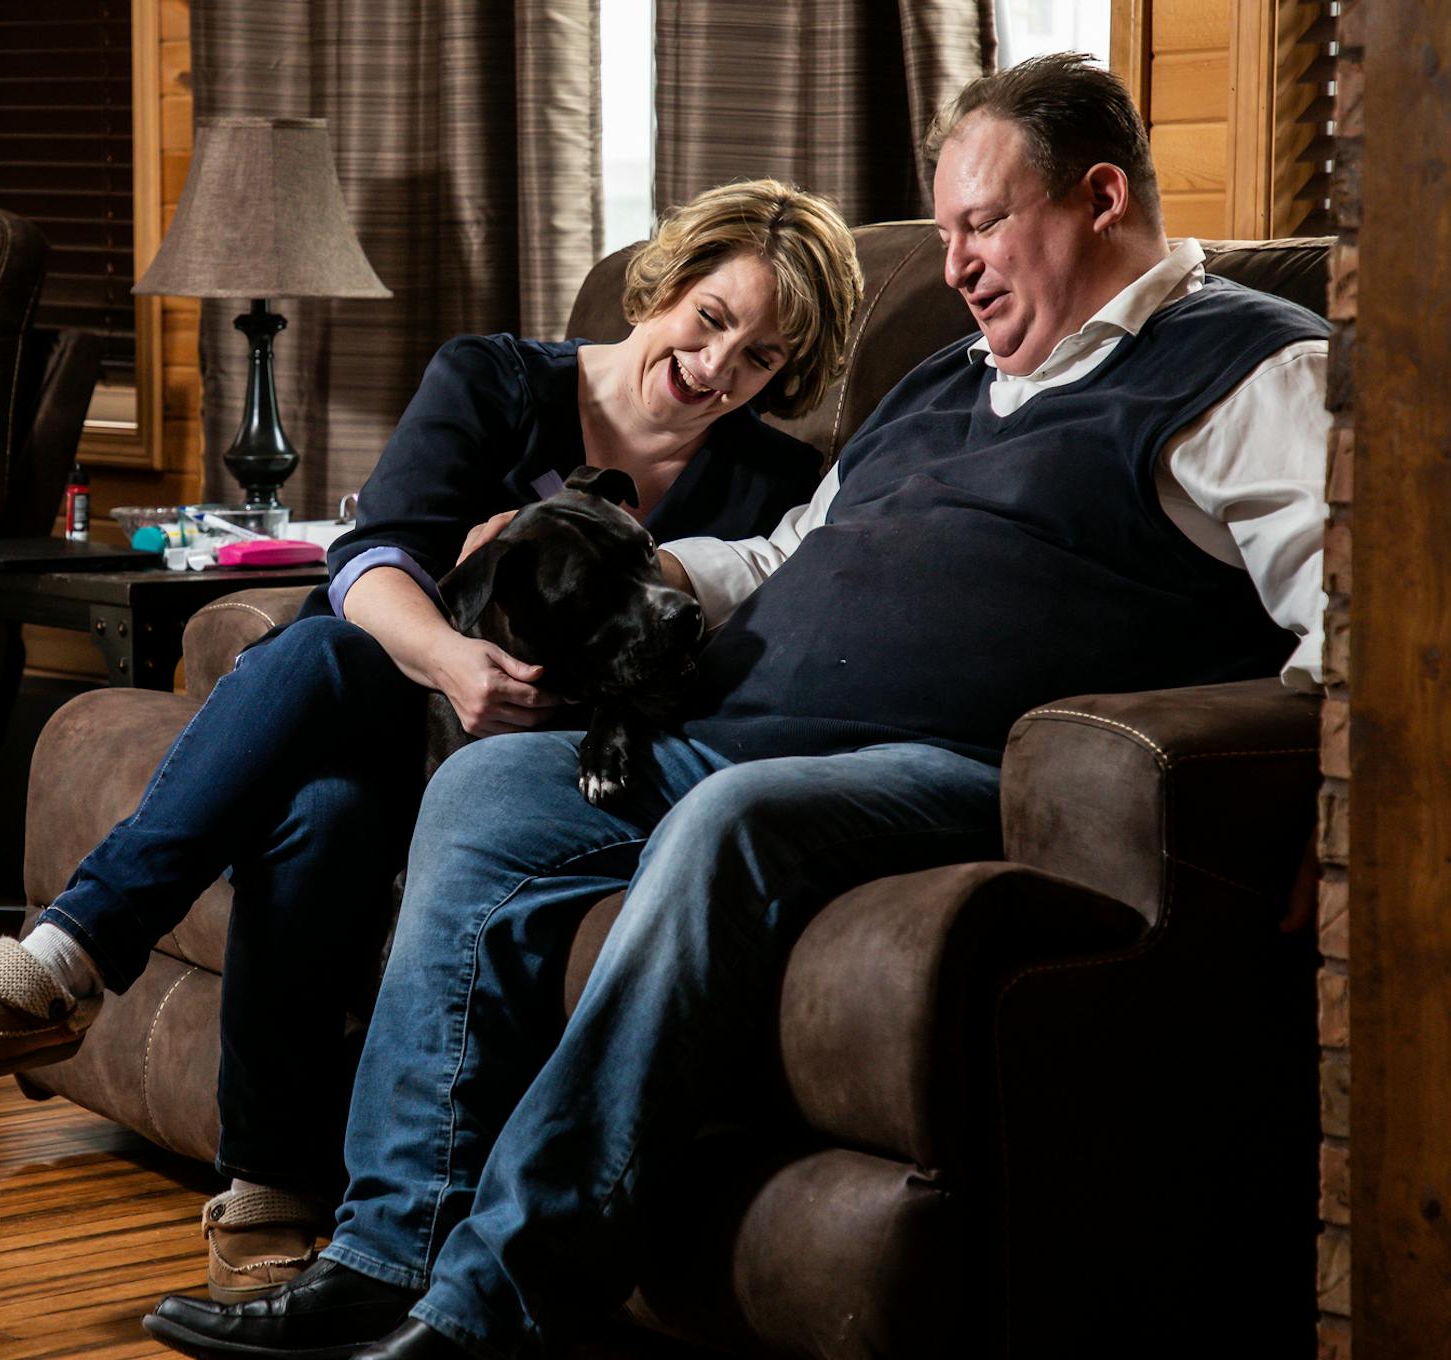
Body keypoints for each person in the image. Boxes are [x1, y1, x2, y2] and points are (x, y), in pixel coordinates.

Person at [142, 52, 1330, 1360]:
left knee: (732, 820)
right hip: (715, 727)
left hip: (948, 770)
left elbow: (1376, 618)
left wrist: (1330, 811)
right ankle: (386, 1256)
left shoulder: (1248, 370)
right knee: (483, 787)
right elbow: (784, 557)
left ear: (1101, 197)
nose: (955, 267)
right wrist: (636, 561)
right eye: (943, 234)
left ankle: (498, 1303)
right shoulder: (945, 378)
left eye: (983, 224)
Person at [0, 180, 866, 1301]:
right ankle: (194, 1098)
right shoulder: (495, 379)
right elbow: (372, 557)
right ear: (671, 283)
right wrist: (453, 661)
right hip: (389, 692)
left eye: (763, 359)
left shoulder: (772, 486)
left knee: (321, 790)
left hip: (537, 762)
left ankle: (87, 987)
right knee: (324, 698)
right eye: (713, 318)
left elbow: (734, 656)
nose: (720, 367)